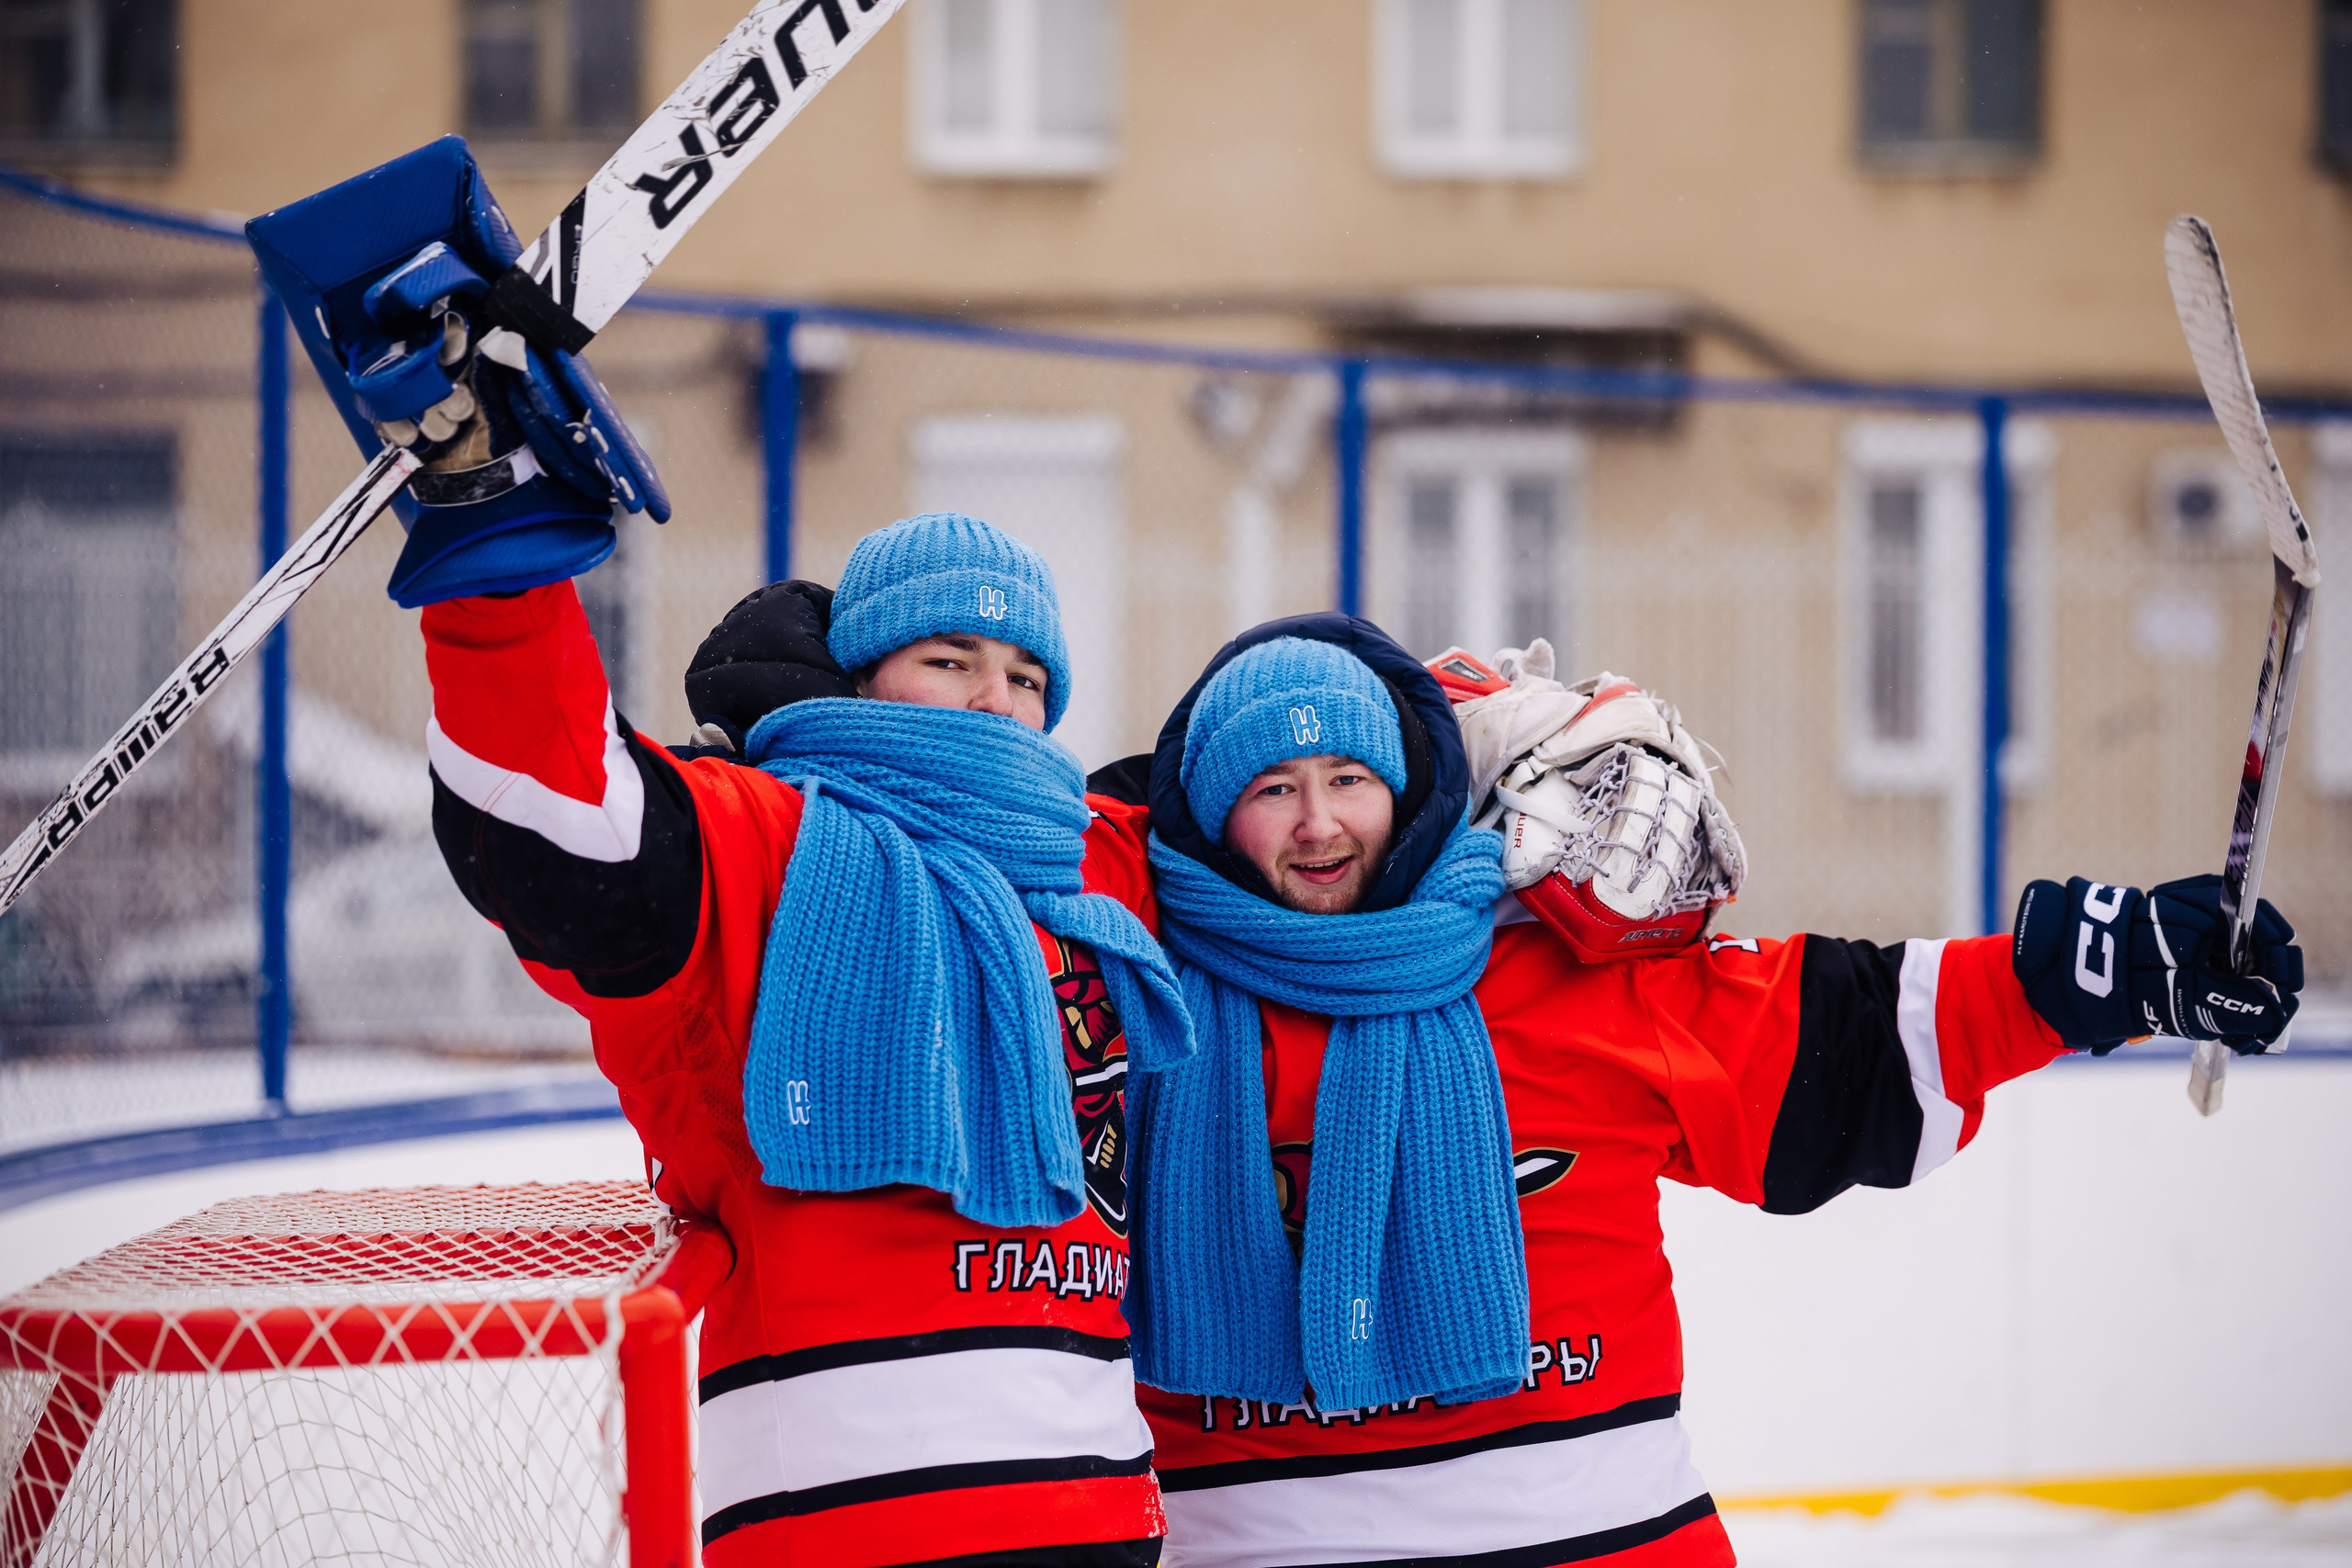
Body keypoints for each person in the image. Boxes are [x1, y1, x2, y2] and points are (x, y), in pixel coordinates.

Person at [1102, 615, 2302, 1568]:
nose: (1319, 822)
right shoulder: (1124, 994)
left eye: (1349, 776)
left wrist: (2117, 963)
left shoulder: (1560, 974)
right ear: (1204, 811)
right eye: (1271, 787)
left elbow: (1848, 1034)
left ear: (1405, 794)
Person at [421, 512, 1195, 1567]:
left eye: (1024, 676)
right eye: (948, 659)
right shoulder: (767, 837)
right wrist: (496, 548)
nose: (993, 702)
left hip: (1096, 1513)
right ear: (864, 679)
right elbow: (560, 814)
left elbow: (1291, 802)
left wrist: (1455, 732)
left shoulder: (1084, 858)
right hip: (841, 1522)